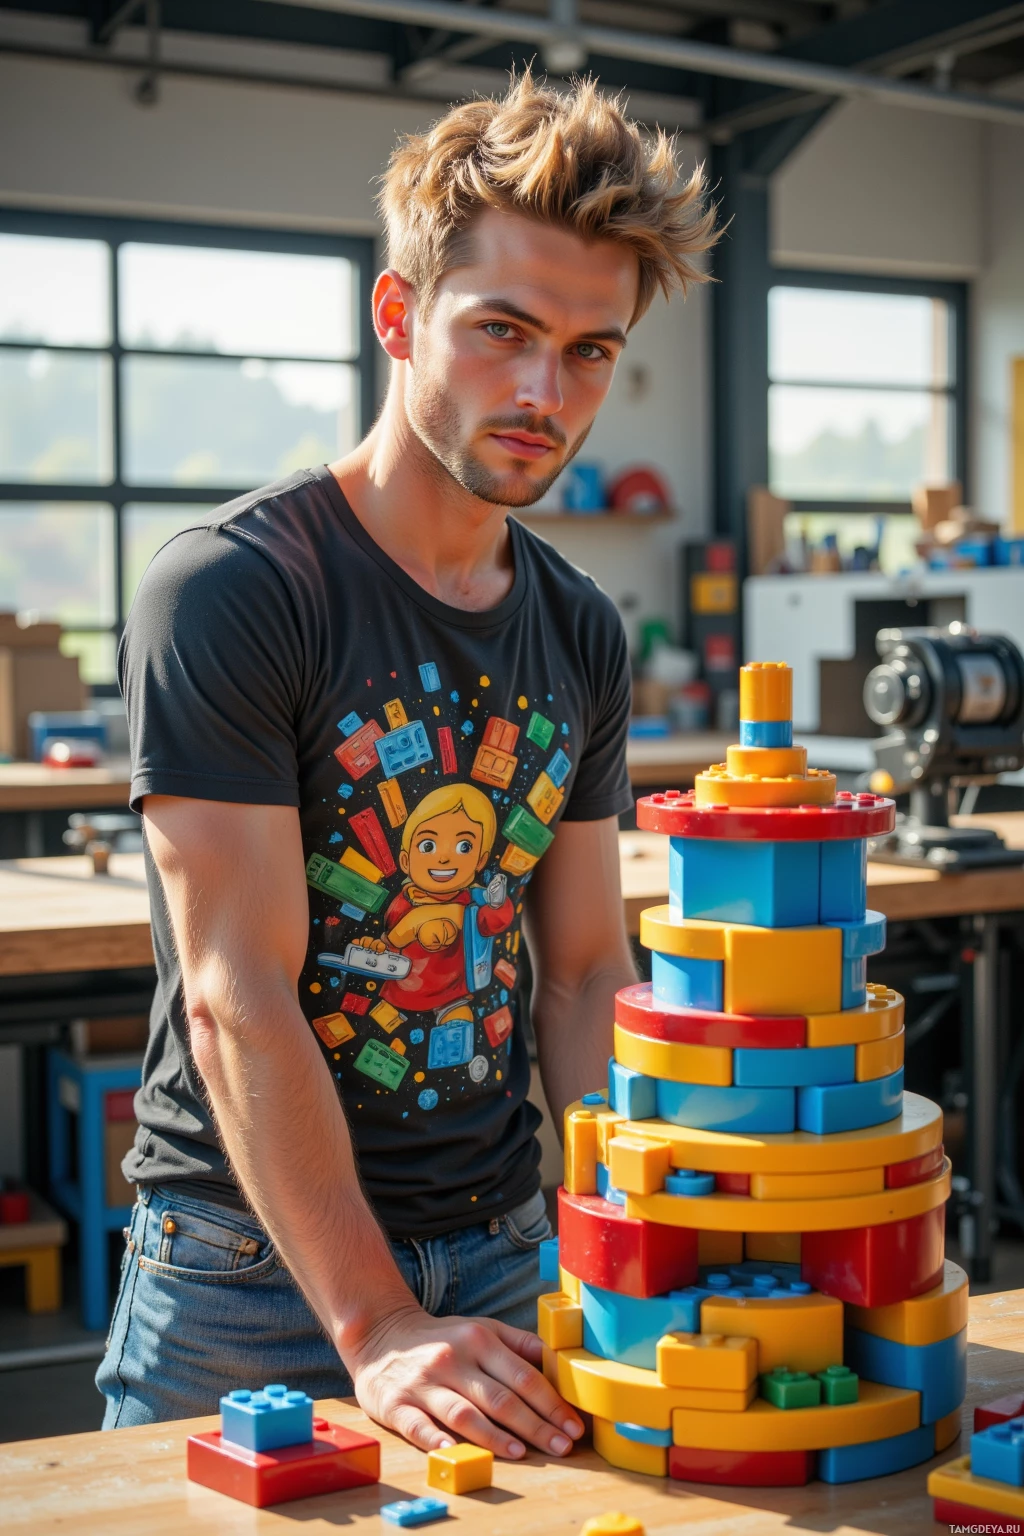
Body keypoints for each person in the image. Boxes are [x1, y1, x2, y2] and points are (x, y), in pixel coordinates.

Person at [97, 69, 717, 1461]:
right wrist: (376, 1328)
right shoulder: (233, 591)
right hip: (250, 1279)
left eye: (591, 351)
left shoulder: (577, 629)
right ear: (398, 317)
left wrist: (653, 1231)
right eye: (502, 330)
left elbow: (579, 973)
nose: (545, 392)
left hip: (505, 1250)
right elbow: (233, 995)